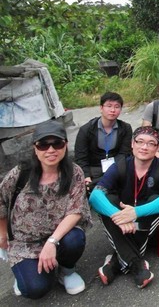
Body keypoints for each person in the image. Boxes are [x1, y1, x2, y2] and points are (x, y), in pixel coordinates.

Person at [1, 120, 92, 299]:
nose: (50, 150)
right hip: (25, 241)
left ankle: (66, 270)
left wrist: (51, 242)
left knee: (75, 238)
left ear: (65, 145)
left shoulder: (75, 173)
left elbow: (76, 210)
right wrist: (2, 233)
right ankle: (28, 269)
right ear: (35, 148)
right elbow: (1, 201)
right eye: (43, 145)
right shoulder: (20, 173)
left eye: (57, 143)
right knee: (33, 289)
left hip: (59, 237)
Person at [89, 126, 159, 289]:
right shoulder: (120, 165)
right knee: (108, 199)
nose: (144, 147)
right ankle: (136, 264)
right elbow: (95, 196)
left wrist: (135, 212)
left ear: (157, 148)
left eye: (151, 144)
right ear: (132, 143)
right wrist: (119, 216)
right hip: (122, 224)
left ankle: (115, 260)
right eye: (140, 142)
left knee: (157, 200)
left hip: (147, 224)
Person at [74, 92, 132, 193]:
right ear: (101, 108)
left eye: (117, 107)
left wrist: (112, 170)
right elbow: (81, 156)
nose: (112, 110)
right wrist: (86, 175)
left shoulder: (126, 128)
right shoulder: (86, 130)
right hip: (94, 168)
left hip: (115, 167)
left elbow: (124, 153)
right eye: (109, 106)